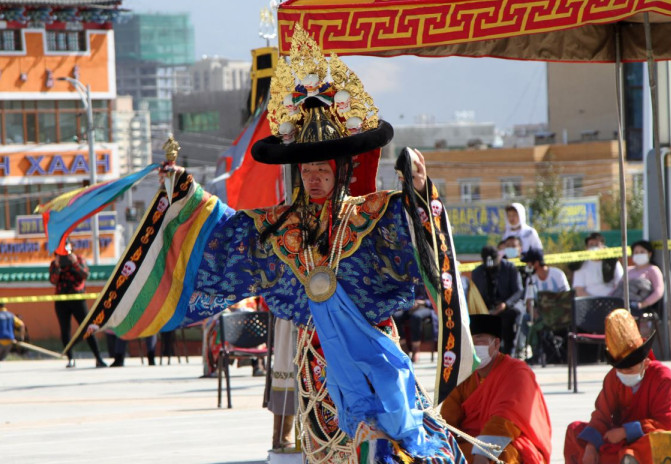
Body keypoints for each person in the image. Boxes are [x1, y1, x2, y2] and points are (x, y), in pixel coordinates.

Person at [76, 27, 472, 464]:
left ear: (341, 170)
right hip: (315, 355)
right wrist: (184, 191)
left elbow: (415, 227)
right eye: (307, 171)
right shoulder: (278, 226)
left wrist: (417, 188)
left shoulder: (373, 214)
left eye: (323, 169)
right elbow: (222, 231)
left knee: (391, 447)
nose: (314, 177)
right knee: (329, 448)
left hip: (373, 345)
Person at [564, 308, 671, 464]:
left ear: (645, 362)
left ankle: (630, 457)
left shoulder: (663, 378)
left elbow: (668, 425)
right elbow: (601, 415)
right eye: (619, 369)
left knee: (658, 441)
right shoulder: (613, 378)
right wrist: (590, 446)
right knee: (574, 430)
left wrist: (627, 431)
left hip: (642, 440)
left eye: (629, 368)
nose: (623, 373)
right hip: (616, 441)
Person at [441, 314, 552, 463]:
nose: (473, 345)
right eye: (469, 341)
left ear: (496, 343)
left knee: (501, 456)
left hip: (508, 442)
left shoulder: (516, 371)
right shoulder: (464, 374)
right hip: (471, 442)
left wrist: (484, 452)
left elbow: (507, 417)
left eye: (479, 339)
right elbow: (448, 418)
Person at [49, 239, 106, 368]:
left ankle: (98, 358)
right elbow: (53, 280)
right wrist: (57, 266)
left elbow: (85, 275)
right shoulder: (54, 263)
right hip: (61, 300)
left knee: (87, 327)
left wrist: (74, 263)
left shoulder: (79, 259)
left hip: (78, 298)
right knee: (65, 330)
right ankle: (70, 359)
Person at [471, 245, 523, 355]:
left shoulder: (510, 268)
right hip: (486, 308)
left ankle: (508, 352)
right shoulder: (477, 273)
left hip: (507, 307)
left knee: (507, 319)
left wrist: (505, 304)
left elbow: (518, 291)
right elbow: (476, 295)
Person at [611, 240, 664, 318]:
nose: (639, 254)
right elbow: (618, 288)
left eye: (642, 252)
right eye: (636, 252)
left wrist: (643, 304)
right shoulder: (628, 270)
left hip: (637, 306)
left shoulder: (653, 270)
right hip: (619, 303)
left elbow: (659, 291)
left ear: (649, 254)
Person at [393, 285, 437, 363]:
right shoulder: (411, 276)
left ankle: (415, 348)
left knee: (416, 317)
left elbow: (437, 299)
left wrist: (422, 303)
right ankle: (403, 346)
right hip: (409, 305)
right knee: (396, 316)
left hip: (426, 307)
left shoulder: (430, 279)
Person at [573, 232, 623, 297]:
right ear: (586, 248)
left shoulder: (613, 263)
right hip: (589, 303)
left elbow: (620, 284)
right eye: (591, 245)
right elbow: (579, 290)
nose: (594, 248)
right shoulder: (580, 266)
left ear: (603, 247)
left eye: (597, 245)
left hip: (612, 299)